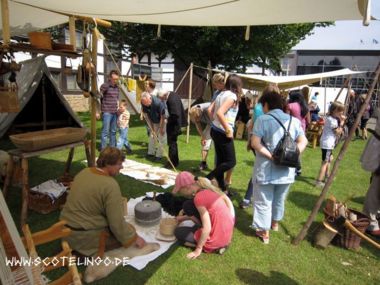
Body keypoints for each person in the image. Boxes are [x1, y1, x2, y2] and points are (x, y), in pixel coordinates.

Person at [60, 147, 146, 256]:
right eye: (119, 164)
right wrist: (134, 238)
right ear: (108, 164)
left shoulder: (85, 172)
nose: (122, 167)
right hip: (85, 237)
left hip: (65, 231)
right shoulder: (110, 185)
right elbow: (116, 223)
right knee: (129, 232)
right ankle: (83, 253)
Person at [250, 85, 308, 244]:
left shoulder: (263, 119)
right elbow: (304, 140)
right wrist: (293, 154)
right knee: (279, 199)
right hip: (287, 171)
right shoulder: (294, 121)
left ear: (266, 104)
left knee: (263, 200)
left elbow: (255, 143)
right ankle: (274, 224)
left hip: (266, 169)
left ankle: (264, 231)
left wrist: (272, 156)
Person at [172, 171, 235, 259]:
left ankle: (212, 247)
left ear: (187, 187)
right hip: (226, 236)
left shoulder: (199, 198)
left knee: (179, 232)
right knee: (188, 206)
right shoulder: (207, 189)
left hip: (216, 239)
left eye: (180, 191)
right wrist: (183, 218)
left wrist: (198, 249)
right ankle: (218, 244)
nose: (180, 193)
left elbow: (207, 227)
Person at [207, 74, 242, 194]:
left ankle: (222, 189)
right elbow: (220, 113)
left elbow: (210, 110)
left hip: (215, 130)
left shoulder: (221, 93)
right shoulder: (231, 96)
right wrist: (227, 129)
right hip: (222, 132)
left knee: (222, 162)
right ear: (236, 85)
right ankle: (208, 178)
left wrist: (215, 123)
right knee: (231, 162)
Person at [239, 93, 264, 209]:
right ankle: (248, 199)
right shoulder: (263, 108)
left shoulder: (258, 106)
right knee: (259, 171)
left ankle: (247, 199)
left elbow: (250, 125)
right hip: (263, 143)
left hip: (256, 142)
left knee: (259, 170)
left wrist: (249, 141)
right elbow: (251, 125)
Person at [315, 102, 346, 187]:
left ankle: (327, 176)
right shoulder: (332, 120)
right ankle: (318, 181)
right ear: (335, 110)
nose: (342, 113)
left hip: (327, 142)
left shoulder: (331, 118)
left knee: (330, 159)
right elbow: (337, 132)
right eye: (340, 111)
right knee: (324, 162)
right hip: (327, 143)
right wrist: (342, 122)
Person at [157, 89, 187, 168]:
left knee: (172, 144)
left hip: (174, 125)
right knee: (173, 143)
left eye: (161, 98)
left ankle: (172, 163)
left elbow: (175, 114)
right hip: (175, 123)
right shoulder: (172, 94)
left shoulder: (171, 100)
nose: (161, 99)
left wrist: (167, 120)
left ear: (165, 95)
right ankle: (174, 161)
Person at [141, 91, 166, 160]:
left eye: (147, 103)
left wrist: (161, 128)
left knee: (161, 137)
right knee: (152, 136)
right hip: (154, 120)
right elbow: (147, 116)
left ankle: (159, 155)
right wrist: (152, 128)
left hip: (163, 120)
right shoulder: (143, 102)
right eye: (144, 103)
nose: (146, 105)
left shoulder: (158, 103)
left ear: (150, 98)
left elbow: (163, 116)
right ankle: (151, 153)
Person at [98, 70, 120, 150]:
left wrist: (118, 109)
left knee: (113, 131)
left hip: (115, 112)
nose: (116, 80)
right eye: (114, 79)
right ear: (110, 78)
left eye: (117, 79)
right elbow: (98, 98)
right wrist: (98, 111)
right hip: (107, 112)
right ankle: (103, 149)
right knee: (105, 132)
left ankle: (112, 149)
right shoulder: (105, 86)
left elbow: (117, 99)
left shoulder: (117, 87)